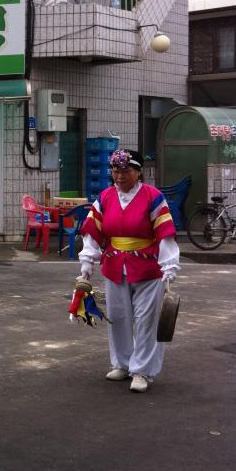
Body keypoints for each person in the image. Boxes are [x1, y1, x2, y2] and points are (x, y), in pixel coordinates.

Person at [78, 149, 179, 393]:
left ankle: (142, 370)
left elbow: (165, 233)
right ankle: (122, 363)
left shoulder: (152, 196)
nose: (120, 176)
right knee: (118, 317)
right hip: (114, 265)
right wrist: (87, 263)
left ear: (138, 172)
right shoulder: (105, 197)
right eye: (115, 171)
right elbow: (93, 232)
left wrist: (169, 266)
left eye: (125, 171)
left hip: (147, 266)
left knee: (146, 320)